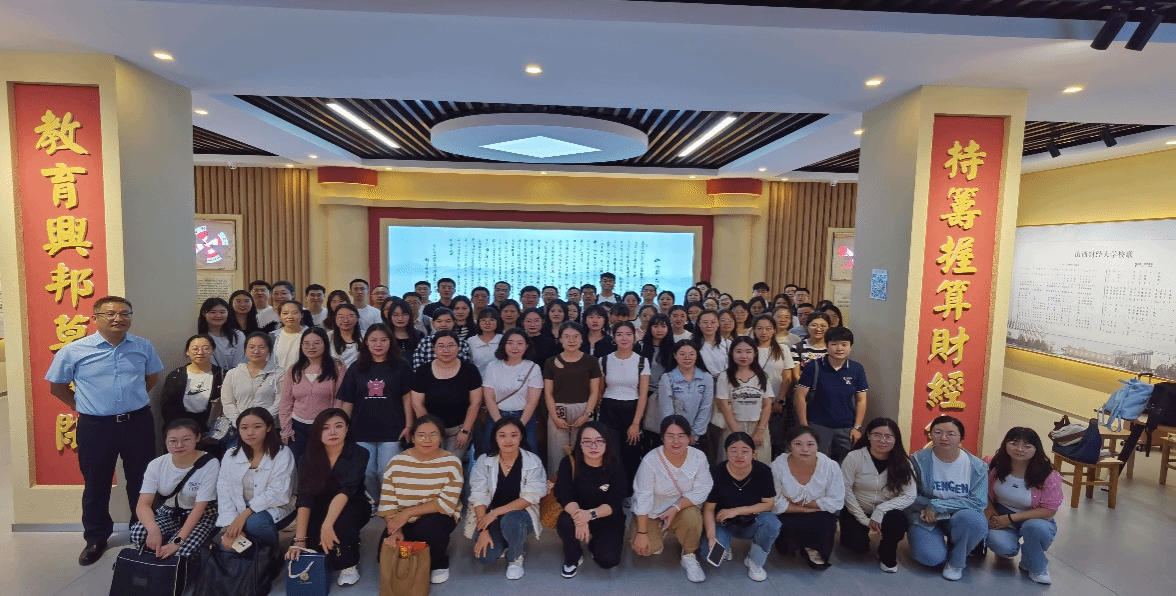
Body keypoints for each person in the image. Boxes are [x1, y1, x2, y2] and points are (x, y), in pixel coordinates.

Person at [47, 296, 164, 565]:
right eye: (110, 314)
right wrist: (83, 405)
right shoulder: (74, 350)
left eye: (125, 313)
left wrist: (130, 401)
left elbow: (151, 378)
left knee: (142, 480)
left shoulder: (142, 346)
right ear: (95, 317)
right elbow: (57, 386)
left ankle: (143, 531)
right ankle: (96, 538)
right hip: (96, 426)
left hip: (137, 422)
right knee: (96, 483)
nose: (118, 318)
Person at [286, 409, 369, 586]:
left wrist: (327, 524)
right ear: (318, 432)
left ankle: (349, 565)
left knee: (343, 520)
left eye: (338, 426)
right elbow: (305, 498)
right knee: (312, 546)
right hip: (319, 505)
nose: (332, 432)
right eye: (325, 428)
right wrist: (300, 539)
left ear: (347, 429)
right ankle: (345, 538)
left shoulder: (359, 453)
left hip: (352, 503)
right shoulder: (306, 458)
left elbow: (346, 490)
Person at [380, 414, 464, 585]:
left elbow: (447, 503)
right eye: (421, 435)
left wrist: (408, 513)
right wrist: (396, 530)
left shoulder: (452, 463)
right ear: (412, 438)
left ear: (441, 438)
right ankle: (417, 549)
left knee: (427, 531)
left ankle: (439, 563)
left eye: (433, 435)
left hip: (438, 514)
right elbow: (388, 503)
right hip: (404, 518)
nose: (427, 440)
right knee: (386, 550)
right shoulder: (396, 462)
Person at [631, 415, 713, 583]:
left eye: (681, 436)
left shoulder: (698, 457)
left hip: (682, 510)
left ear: (689, 438)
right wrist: (642, 532)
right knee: (646, 549)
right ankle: (656, 533)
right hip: (654, 513)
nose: (676, 441)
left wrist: (675, 508)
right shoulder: (650, 461)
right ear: (662, 438)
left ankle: (689, 555)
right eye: (670, 436)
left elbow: (702, 490)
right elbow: (642, 496)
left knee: (692, 518)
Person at [336, 323, 412, 505]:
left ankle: (388, 504)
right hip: (361, 429)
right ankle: (374, 503)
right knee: (367, 472)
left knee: (385, 470)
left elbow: (407, 398)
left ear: (390, 342)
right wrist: (342, 428)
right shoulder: (356, 367)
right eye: (374, 340)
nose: (379, 344)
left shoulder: (401, 366)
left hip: (393, 429)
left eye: (384, 340)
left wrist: (409, 425)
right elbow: (348, 401)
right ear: (366, 342)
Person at [906, 415, 989, 581]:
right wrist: (928, 507)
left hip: (960, 515)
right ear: (930, 435)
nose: (944, 438)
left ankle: (957, 562)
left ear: (961, 438)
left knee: (973, 520)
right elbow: (908, 494)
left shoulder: (977, 466)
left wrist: (937, 506)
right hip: (924, 514)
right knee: (931, 558)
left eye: (951, 434)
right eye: (938, 432)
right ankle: (951, 548)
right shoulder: (917, 460)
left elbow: (978, 501)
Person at [467, 417, 548, 580]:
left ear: (521, 437)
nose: (508, 440)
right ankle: (508, 539)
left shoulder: (532, 461)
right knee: (485, 557)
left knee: (512, 521)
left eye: (514, 435)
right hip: (491, 516)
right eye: (502, 435)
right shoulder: (484, 461)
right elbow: (478, 495)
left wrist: (495, 513)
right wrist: (483, 530)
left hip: (521, 515)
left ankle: (515, 556)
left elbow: (530, 497)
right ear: (495, 438)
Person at [130, 418, 220, 561]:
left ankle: (181, 565)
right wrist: (153, 530)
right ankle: (152, 565)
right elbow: (143, 504)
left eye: (186, 440)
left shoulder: (210, 463)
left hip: (201, 515)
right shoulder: (156, 464)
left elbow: (199, 507)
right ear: (165, 441)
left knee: (180, 552)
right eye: (173, 441)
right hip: (169, 512)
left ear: (197, 438)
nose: (179, 445)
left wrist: (177, 542)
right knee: (138, 532)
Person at [984, 427, 1064, 585]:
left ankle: (1035, 565)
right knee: (1002, 546)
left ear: (1036, 449)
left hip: (1034, 518)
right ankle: (1010, 549)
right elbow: (981, 493)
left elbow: (1050, 510)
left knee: (1035, 528)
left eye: (1027, 446)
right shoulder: (992, 464)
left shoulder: (1049, 474)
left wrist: (1010, 518)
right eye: (1014, 443)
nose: (1020, 449)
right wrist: (992, 514)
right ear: (1005, 444)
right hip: (1001, 513)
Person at [700, 432, 780, 582]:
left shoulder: (763, 471)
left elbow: (769, 504)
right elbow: (709, 509)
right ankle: (725, 543)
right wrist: (711, 537)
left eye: (745, 451)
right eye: (733, 450)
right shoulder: (717, 473)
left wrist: (736, 510)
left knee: (771, 523)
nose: (739, 455)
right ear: (726, 452)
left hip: (751, 522)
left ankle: (755, 561)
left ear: (754, 454)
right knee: (710, 555)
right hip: (723, 523)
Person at [840, 417, 916, 573]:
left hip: (887, 512)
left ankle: (887, 551)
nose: (882, 440)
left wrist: (881, 510)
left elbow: (910, 495)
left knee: (898, 520)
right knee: (858, 546)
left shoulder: (904, 463)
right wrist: (864, 519)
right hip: (857, 509)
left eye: (888, 436)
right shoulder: (854, 457)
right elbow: (845, 489)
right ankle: (855, 534)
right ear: (868, 435)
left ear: (896, 439)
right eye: (877, 435)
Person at [554, 422, 627, 577]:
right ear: (580, 443)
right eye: (587, 441)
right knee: (565, 521)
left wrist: (590, 515)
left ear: (607, 443)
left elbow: (615, 501)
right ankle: (573, 556)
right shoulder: (569, 462)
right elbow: (564, 495)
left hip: (606, 516)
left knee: (608, 561)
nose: (593, 446)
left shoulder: (615, 464)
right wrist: (580, 519)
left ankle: (595, 544)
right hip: (576, 513)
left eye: (599, 441)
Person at [216, 408, 296, 549]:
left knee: (255, 523)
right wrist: (232, 524)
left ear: (268, 427)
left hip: (276, 507)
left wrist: (244, 516)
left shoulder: (282, 453)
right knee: (228, 546)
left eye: (257, 427)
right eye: (244, 428)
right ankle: (255, 556)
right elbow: (224, 491)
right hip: (240, 511)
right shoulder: (230, 455)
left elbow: (279, 493)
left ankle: (272, 555)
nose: (250, 432)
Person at [771, 426, 844, 570]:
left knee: (826, 521)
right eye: (798, 444)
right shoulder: (776, 467)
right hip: (788, 511)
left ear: (817, 445)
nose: (805, 449)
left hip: (819, 511)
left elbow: (836, 500)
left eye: (810, 444)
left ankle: (815, 550)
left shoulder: (830, 466)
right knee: (785, 523)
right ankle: (793, 546)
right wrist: (803, 509)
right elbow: (774, 501)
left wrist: (806, 504)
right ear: (789, 446)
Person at [794, 326, 867, 462]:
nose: (839, 348)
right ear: (826, 346)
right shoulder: (814, 366)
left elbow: (861, 400)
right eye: (834, 344)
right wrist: (804, 426)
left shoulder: (857, 369)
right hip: (818, 426)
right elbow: (800, 396)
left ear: (850, 347)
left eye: (844, 344)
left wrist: (857, 427)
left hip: (846, 427)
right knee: (817, 463)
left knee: (847, 464)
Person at [411, 330, 484, 464]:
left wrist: (465, 431)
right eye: (441, 346)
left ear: (458, 347)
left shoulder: (470, 370)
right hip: (432, 430)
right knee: (432, 463)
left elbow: (476, 402)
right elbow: (417, 404)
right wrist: (429, 431)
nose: (446, 350)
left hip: (459, 428)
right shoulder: (423, 371)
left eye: (451, 345)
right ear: (434, 348)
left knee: (451, 464)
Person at [279, 327, 345, 463]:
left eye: (316, 343)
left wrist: (334, 426)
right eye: (306, 343)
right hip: (298, 427)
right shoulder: (294, 370)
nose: (311, 347)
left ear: (325, 344)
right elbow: (286, 402)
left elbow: (339, 401)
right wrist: (286, 429)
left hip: (325, 426)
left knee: (323, 465)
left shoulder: (337, 368)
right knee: (297, 465)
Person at [543, 322, 603, 471]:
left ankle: (583, 483)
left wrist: (587, 414)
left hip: (583, 410)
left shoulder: (591, 361)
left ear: (582, 339)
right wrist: (554, 417)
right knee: (556, 454)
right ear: (560, 339)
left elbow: (594, 391)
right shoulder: (550, 362)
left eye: (576, 336)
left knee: (584, 451)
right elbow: (548, 393)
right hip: (558, 411)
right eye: (567, 337)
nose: (571, 340)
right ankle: (556, 483)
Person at [597, 321, 649, 486]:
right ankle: (610, 490)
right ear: (614, 337)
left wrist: (636, 423)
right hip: (608, 411)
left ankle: (629, 491)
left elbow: (643, 395)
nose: (624, 338)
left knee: (631, 454)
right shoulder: (604, 360)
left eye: (628, 334)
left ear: (634, 337)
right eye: (619, 334)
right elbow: (600, 391)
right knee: (610, 453)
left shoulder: (642, 361)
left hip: (632, 410)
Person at [482, 329, 544, 454]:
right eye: (510, 343)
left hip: (524, 417)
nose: (515, 347)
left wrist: (519, 426)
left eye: (520, 343)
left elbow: (532, 401)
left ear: (526, 346)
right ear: (503, 345)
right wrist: (500, 424)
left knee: (528, 455)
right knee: (493, 455)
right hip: (496, 416)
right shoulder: (492, 366)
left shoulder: (533, 367)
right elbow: (489, 398)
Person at [715, 337, 773, 463]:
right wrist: (737, 434)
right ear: (732, 353)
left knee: (759, 463)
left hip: (758, 427)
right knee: (733, 462)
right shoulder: (724, 377)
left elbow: (767, 405)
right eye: (738, 351)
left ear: (755, 353)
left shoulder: (762, 376)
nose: (743, 356)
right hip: (733, 425)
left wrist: (760, 430)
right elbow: (724, 406)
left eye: (748, 351)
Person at [217, 332, 282, 442]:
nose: (256, 351)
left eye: (262, 347)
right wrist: (241, 423)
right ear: (245, 350)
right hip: (239, 429)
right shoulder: (233, 373)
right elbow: (227, 402)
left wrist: (263, 422)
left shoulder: (279, 373)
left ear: (269, 350)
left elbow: (280, 401)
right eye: (251, 347)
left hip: (269, 428)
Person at [160, 334, 224, 440]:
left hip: (211, 432)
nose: (200, 352)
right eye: (195, 348)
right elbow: (167, 406)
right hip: (181, 429)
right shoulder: (176, 376)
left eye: (206, 348)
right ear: (187, 351)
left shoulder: (222, 375)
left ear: (213, 351)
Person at [658, 340, 713, 449]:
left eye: (691, 354)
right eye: (682, 354)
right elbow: (666, 410)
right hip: (673, 435)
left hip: (696, 435)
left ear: (697, 356)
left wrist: (694, 433)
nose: (687, 357)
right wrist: (677, 434)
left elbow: (706, 407)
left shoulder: (706, 378)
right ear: (675, 356)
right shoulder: (667, 378)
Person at [637, 314, 674, 450]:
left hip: (664, 395)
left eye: (663, 326)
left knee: (661, 432)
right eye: (655, 326)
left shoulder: (673, 349)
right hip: (643, 394)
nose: (659, 330)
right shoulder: (640, 346)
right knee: (644, 432)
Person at [198, 297, 246, 369]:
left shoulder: (238, 335)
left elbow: (239, 364)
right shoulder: (199, 338)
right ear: (204, 314)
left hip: (235, 374)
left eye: (222, 312)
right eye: (213, 312)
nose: (218, 316)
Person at [790, 312, 831, 383]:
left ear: (828, 327)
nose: (818, 329)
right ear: (806, 326)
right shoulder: (797, 347)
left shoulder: (832, 347)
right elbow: (796, 375)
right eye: (814, 325)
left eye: (823, 326)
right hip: (803, 387)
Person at [272, 300, 308, 370]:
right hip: (278, 376)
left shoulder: (311, 335)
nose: (290, 316)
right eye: (285, 313)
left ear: (302, 315)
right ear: (279, 316)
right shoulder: (273, 336)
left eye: (295, 313)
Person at [469, 306, 504, 372]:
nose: (487, 323)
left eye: (491, 320)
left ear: (497, 322)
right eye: (483, 320)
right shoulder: (471, 341)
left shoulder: (503, 339)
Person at [329, 303, 363, 368]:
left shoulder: (365, 336)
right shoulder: (328, 336)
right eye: (341, 317)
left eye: (350, 316)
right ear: (335, 319)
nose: (346, 320)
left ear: (357, 318)